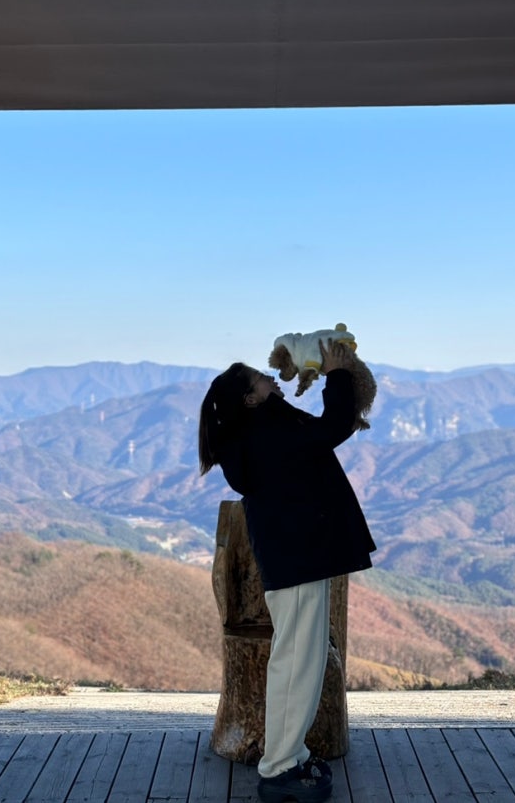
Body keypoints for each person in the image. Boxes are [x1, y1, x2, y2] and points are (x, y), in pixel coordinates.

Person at [199, 339, 376, 803]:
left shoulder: (264, 427)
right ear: (249, 399)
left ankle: (290, 755)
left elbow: (321, 433)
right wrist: (336, 373)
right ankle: (279, 767)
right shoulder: (264, 432)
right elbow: (331, 429)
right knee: (298, 664)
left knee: (299, 661)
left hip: (299, 557)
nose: (272, 379)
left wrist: (330, 376)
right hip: (298, 559)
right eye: (262, 379)